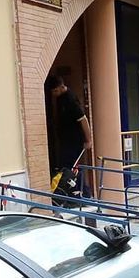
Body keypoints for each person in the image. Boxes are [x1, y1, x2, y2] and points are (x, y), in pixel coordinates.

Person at [45, 72, 92, 202]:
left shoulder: (70, 100)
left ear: (61, 87)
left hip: (74, 141)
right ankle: (75, 194)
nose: (53, 94)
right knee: (66, 168)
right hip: (66, 141)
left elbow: (83, 120)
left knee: (71, 169)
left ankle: (84, 195)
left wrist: (88, 140)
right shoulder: (60, 98)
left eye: (54, 91)